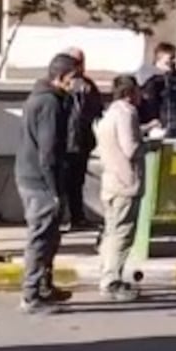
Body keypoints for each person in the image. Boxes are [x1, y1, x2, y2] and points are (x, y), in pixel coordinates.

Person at [16, 54, 79, 314]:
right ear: (60, 77)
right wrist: (55, 191)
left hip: (35, 177)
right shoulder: (49, 103)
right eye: (73, 77)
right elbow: (48, 151)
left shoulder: (45, 98)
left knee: (51, 238)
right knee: (40, 238)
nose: (76, 83)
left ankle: (44, 286)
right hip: (40, 181)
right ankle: (31, 296)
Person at [97, 75, 148, 302]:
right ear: (130, 92)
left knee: (111, 231)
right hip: (126, 182)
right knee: (122, 234)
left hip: (110, 180)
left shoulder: (110, 114)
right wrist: (149, 143)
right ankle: (111, 281)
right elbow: (131, 149)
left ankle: (107, 274)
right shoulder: (128, 113)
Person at [61, 47, 103, 232]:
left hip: (82, 140)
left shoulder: (88, 85)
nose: (80, 67)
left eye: (82, 62)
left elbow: (97, 110)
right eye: (76, 62)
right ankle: (60, 217)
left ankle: (78, 217)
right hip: (63, 141)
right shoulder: (60, 84)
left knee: (77, 181)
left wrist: (86, 97)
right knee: (62, 181)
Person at [140, 42, 176, 137]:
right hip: (159, 128)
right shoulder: (149, 79)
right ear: (159, 58)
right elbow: (146, 104)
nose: (175, 61)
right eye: (171, 57)